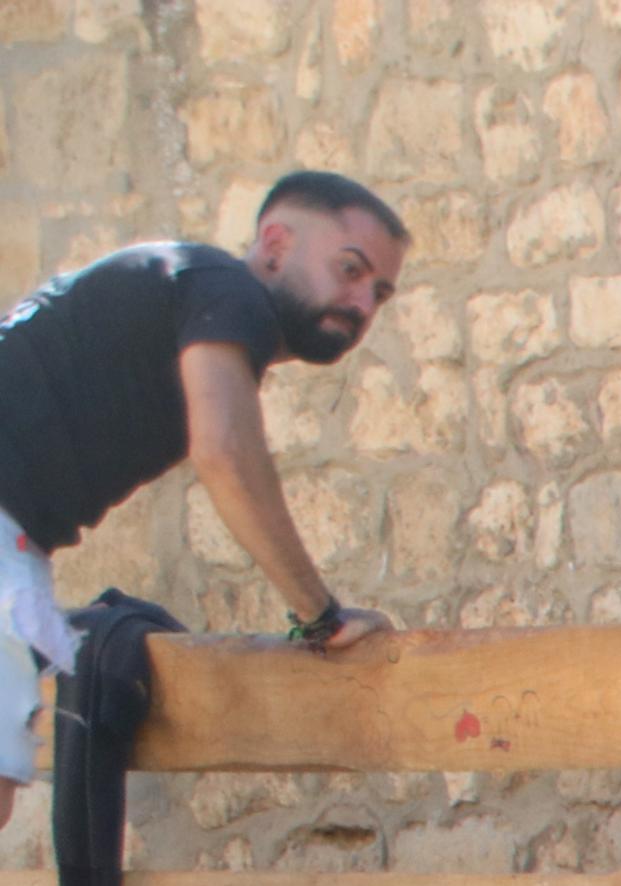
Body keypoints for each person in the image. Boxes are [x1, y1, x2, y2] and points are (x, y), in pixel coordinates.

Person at [0, 173, 408, 828]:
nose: (362, 304)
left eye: (380, 293)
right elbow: (224, 452)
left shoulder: (184, 280)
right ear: (274, 243)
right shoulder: (228, 289)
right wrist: (321, 617)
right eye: (349, 269)